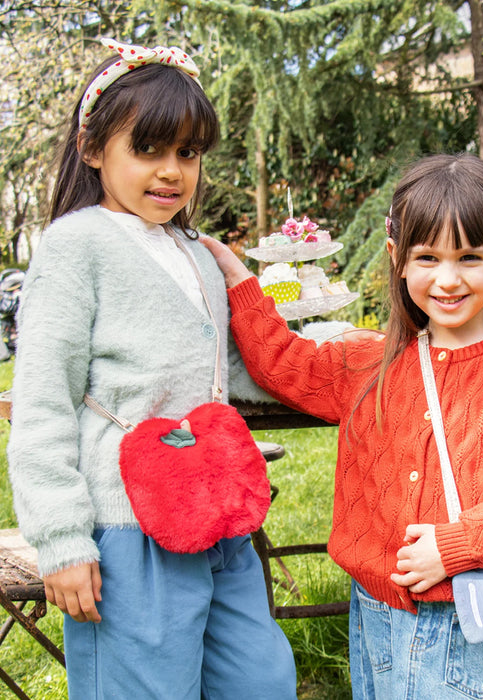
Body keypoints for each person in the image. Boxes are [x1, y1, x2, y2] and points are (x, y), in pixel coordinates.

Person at [201, 153, 483, 699]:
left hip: (471, 618)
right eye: (427, 257)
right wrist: (240, 281)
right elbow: (284, 363)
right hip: (375, 613)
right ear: (397, 259)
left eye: (470, 257)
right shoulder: (369, 362)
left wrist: (455, 545)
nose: (447, 279)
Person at [7, 38, 296, 699]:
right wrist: (62, 540)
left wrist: (342, 359)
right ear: (92, 150)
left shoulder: (195, 252)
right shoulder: (76, 247)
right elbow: (44, 401)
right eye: (149, 150)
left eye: (188, 153)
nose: (171, 171)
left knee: (262, 681)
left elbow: (231, 366)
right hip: (126, 528)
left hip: (216, 512)